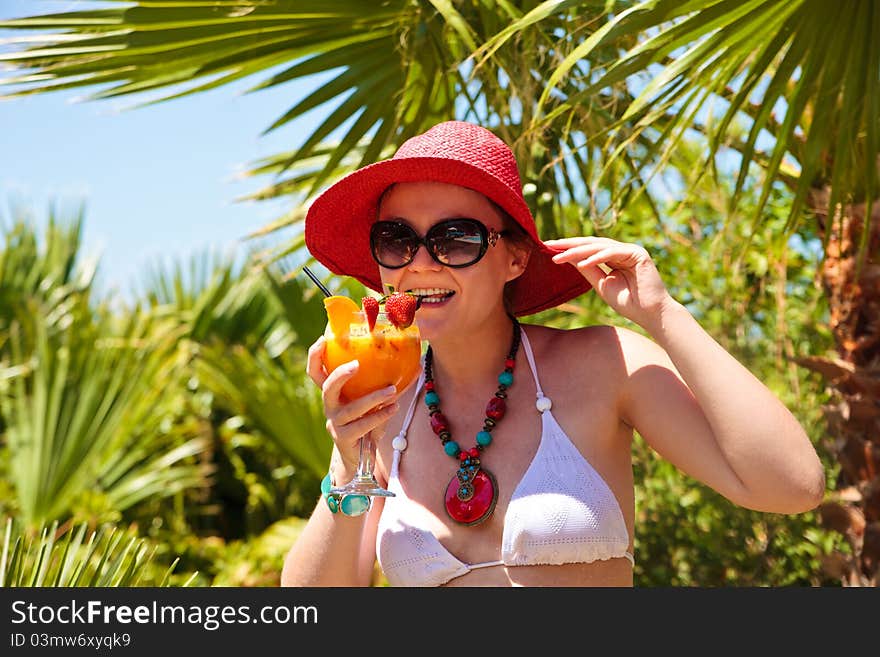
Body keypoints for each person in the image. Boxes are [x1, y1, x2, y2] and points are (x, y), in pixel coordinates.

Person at [281, 120, 825, 587]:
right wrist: (346, 463)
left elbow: (791, 485)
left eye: (457, 239)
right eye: (397, 240)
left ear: (515, 258)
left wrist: (664, 315)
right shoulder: (386, 406)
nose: (420, 263)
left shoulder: (604, 364)